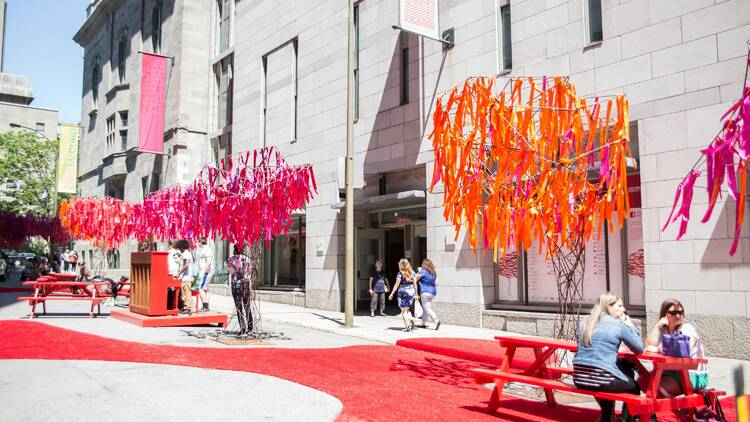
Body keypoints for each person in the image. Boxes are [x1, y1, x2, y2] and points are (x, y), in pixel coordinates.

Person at [573, 292, 643, 422]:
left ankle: (608, 417)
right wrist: (629, 325)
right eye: (620, 306)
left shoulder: (585, 321)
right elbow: (639, 348)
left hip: (579, 378)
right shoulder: (618, 325)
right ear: (608, 306)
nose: (623, 310)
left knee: (611, 374)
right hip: (601, 379)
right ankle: (625, 420)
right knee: (634, 387)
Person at [645, 299, 708, 396]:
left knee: (657, 390)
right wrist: (657, 326)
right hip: (670, 371)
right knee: (642, 381)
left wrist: (658, 350)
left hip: (693, 374)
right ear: (664, 314)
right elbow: (648, 346)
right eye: (673, 313)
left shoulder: (687, 328)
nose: (678, 316)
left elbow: (684, 347)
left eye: (680, 312)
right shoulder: (663, 329)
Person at [226, 244, 254, 336]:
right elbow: (249, 272)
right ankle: (250, 327)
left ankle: (243, 328)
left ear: (234, 250)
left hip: (236, 284)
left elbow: (230, 272)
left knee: (239, 307)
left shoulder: (230, 259)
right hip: (245, 284)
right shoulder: (247, 259)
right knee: (247, 306)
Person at [388, 259, 418, 332]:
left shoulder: (400, 273)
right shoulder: (413, 273)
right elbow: (415, 284)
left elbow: (396, 284)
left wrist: (391, 294)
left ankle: (407, 327)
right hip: (411, 292)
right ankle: (410, 323)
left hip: (402, 292)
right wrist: (416, 294)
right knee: (407, 310)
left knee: (403, 311)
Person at [415, 258, 440, 330]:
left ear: (424, 265)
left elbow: (415, 279)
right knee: (425, 307)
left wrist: (418, 272)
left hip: (425, 292)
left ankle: (436, 321)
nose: (422, 265)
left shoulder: (423, 271)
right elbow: (436, 284)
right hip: (433, 293)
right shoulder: (434, 272)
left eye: (423, 264)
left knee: (427, 308)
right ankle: (423, 323)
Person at [176, 240, 195, 316]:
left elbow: (186, 265)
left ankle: (188, 308)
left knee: (186, 293)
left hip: (187, 277)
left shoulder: (186, 254)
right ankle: (185, 307)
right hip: (185, 277)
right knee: (184, 293)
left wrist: (179, 273)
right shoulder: (185, 253)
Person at [196, 238, 214, 312]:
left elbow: (208, 262)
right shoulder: (202, 250)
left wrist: (203, 272)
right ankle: (206, 305)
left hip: (206, 272)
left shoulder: (207, 250)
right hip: (203, 271)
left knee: (200, 288)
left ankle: (205, 306)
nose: (197, 243)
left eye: (197, 241)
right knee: (204, 288)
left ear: (200, 242)